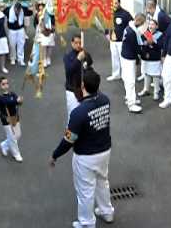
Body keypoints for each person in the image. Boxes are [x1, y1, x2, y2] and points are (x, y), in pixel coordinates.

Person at [49, 69, 114, 228]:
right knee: (102, 181)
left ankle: (86, 222)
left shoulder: (78, 113)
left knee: (85, 191)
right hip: (104, 150)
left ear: (83, 85)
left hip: (86, 156)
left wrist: (55, 155)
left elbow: (68, 140)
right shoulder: (105, 100)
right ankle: (107, 211)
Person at [139, 0, 171, 82]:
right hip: (157, 38)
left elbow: (157, 32)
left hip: (165, 39)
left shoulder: (160, 16)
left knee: (161, 59)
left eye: (147, 7)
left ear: (151, 7)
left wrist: (148, 37)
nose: (146, 9)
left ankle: (160, 80)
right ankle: (146, 74)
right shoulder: (151, 14)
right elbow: (148, 28)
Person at [121, 13, 146, 113]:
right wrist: (142, 54)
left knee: (126, 78)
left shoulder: (128, 27)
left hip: (125, 56)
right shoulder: (132, 32)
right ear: (138, 21)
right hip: (129, 58)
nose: (142, 25)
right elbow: (135, 47)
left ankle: (129, 97)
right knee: (130, 80)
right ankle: (131, 104)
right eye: (142, 23)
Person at [0, 76, 24, 162]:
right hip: (6, 119)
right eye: (3, 84)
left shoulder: (12, 94)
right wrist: (16, 101)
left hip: (15, 117)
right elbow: (6, 102)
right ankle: (16, 154)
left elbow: (17, 103)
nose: (5, 85)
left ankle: (4, 144)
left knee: (18, 135)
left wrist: (20, 101)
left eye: (7, 83)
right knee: (12, 137)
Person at [104, 0, 133, 81]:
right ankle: (116, 74)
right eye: (113, 3)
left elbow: (131, 24)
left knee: (123, 58)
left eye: (116, 3)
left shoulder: (125, 14)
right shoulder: (109, 14)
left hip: (121, 41)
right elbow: (106, 24)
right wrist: (106, 34)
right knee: (114, 58)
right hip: (112, 40)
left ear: (119, 3)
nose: (114, 5)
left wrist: (127, 36)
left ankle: (125, 75)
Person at [138, 19, 164, 101]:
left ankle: (156, 91)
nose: (151, 26)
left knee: (155, 75)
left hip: (155, 57)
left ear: (156, 26)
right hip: (146, 57)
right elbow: (142, 43)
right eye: (150, 24)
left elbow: (160, 46)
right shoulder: (145, 33)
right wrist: (145, 50)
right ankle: (146, 89)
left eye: (153, 24)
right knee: (146, 73)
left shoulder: (160, 35)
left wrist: (152, 42)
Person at [63, 34, 86, 119]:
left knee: (83, 115)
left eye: (80, 43)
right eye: (76, 43)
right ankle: (70, 132)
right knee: (73, 115)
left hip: (83, 90)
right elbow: (69, 71)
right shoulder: (68, 56)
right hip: (72, 90)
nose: (78, 45)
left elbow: (88, 67)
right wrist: (78, 59)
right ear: (72, 43)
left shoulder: (83, 53)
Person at [35, 2, 56, 68]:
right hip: (42, 31)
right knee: (44, 45)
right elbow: (36, 22)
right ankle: (44, 60)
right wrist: (41, 26)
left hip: (51, 31)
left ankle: (48, 58)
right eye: (39, 6)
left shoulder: (51, 13)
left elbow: (54, 21)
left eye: (42, 6)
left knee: (50, 45)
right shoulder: (38, 14)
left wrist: (52, 27)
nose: (40, 7)